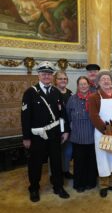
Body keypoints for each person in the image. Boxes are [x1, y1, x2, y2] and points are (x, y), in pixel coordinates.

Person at [21, 61, 70, 202]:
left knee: (56, 161)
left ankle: (58, 186)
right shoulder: (30, 93)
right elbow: (25, 117)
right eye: (44, 73)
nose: (46, 76)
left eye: (49, 74)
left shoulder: (56, 92)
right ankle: (34, 188)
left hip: (54, 134)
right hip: (37, 135)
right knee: (35, 163)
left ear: (52, 75)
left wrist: (65, 131)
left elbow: (62, 114)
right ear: (39, 75)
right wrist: (26, 137)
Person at [88, 70, 112, 198]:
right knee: (103, 159)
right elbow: (94, 117)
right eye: (103, 79)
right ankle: (104, 185)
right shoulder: (94, 97)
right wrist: (108, 132)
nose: (106, 81)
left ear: (111, 81)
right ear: (98, 82)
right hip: (102, 133)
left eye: (108, 79)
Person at [66, 76, 97, 192]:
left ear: (89, 85)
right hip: (77, 136)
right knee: (79, 162)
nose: (83, 86)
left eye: (85, 84)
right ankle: (79, 184)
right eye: (81, 84)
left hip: (92, 135)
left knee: (91, 162)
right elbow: (68, 116)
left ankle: (91, 182)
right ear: (78, 86)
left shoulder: (94, 98)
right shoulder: (72, 99)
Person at [53, 70, 73, 179]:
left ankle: (65, 170)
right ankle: (55, 174)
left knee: (68, 151)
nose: (63, 80)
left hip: (69, 127)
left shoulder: (70, 93)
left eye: (65, 78)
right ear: (55, 80)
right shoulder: (52, 92)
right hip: (56, 127)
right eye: (60, 78)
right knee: (55, 153)